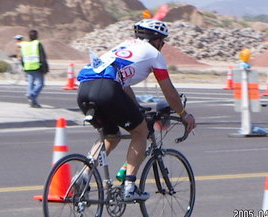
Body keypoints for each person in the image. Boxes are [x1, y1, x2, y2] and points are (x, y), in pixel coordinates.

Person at [77, 19, 196, 202]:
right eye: (163, 41)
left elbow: (123, 86)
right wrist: (184, 115)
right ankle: (130, 187)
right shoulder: (154, 54)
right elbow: (169, 92)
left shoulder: (124, 46)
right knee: (141, 131)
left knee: (111, 135)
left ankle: (83, 175)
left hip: (85, 90)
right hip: (108, 90)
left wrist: (136, 109)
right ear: (157, 40)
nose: (163, 45)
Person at [20, 30, 49, 108]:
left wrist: (23, 66)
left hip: (27, 66)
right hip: (37, 66)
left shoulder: (25, 45)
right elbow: (42, 56)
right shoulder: (37, 44)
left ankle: (33, 102)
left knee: (31, 84)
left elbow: (22, 57)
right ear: (36, 36)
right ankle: (31, 95)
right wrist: (45, 67)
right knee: (40, 84)